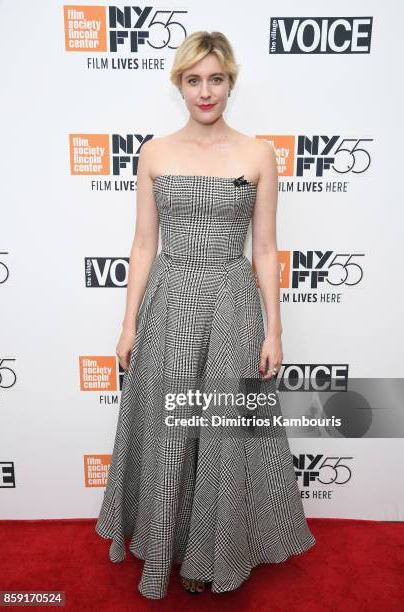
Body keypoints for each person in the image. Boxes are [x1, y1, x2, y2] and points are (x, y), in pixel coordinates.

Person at [95, 30, 316, 599]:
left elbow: (265, 249)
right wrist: (127, 324)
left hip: (229, 302)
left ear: (230, 83)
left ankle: (209, 556)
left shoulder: (257, 153)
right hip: (168, 302)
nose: (206, 91)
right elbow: (144, 243)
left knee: (220, 431)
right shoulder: (154, 152)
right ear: (180, 86)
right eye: (194, 80)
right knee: (169, 430)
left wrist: (275, 328)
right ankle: (160, 543)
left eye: (216, 79)